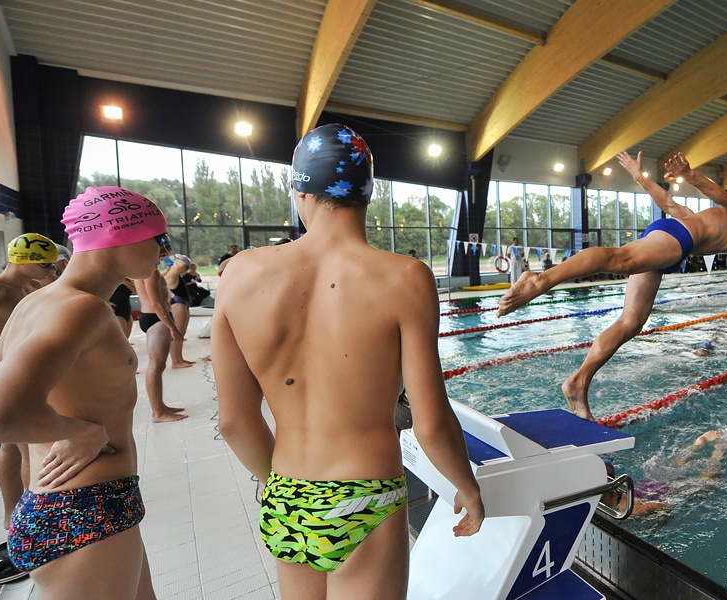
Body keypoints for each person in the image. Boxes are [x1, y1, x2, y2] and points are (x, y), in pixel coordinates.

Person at [212, 123, 483, 600]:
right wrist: (467, 487)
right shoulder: (405, 278)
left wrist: (279, 487)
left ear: (299, 191)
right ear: (368, 193)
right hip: (365, 492)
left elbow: (235, 422)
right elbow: (430, 421)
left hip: (288, 493)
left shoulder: (239, 276)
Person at [0, 187, 174, 597]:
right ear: (120, 236)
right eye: (159, 238)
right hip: (80, 509)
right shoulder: (80, 308)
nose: (163, 251)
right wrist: (82, 432)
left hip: (87, 503)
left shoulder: (36, 303)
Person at [497, 151, 727, 420]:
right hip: (677, 238)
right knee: (621, 259)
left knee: (631, 322)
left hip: (673, 242)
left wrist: (640, 179)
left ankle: (578, 382)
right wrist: (689, 175)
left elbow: (669, 204)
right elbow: (723, 197)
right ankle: (542, 279)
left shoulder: (719, 223)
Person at [0, 232, 58, 587]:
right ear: (23, 259)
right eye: (44, 263)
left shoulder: (30, 292)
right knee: (14, 447)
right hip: (1, 380)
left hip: (32, 380)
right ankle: (13, 521)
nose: (50, 270)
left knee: (25, 448)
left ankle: (23, 518)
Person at [601, 430, 727, 517]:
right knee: (674, 466)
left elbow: (666, 506)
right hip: (644, 486)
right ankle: (696, 445)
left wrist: (661, 521)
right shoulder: (618, 487)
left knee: (705, 484)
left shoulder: (631, 510)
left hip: (661, 492)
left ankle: (718, 452)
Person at [134, 260, 188, 423]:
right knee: (156, 365)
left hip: (152, 317)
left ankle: (161, 407)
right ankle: (158, 412)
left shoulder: (141, 271)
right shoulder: (151, 272)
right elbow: (156, 303)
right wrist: (172, 326)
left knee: (158, 365)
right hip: (156, 319)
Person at [162, 255, 194, 368]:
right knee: (177, 334)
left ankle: (180, 358)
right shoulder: (171, 274)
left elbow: (184, 266)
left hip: (183, 303)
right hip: (177, 304)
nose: (185, 269)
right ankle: (175, 361)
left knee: (181, 333)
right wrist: (174, 257)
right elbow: (181, 265)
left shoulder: (172, 274)